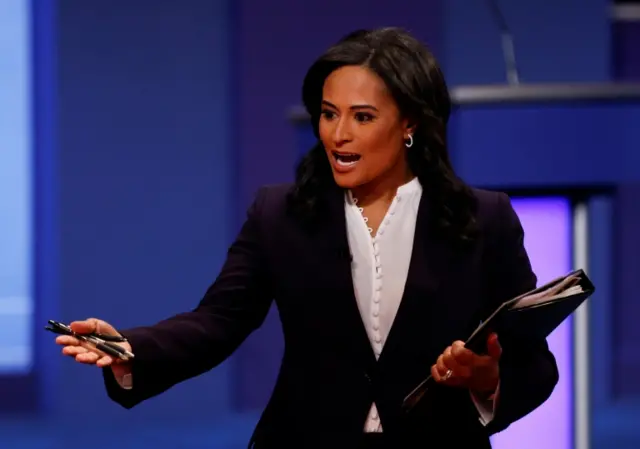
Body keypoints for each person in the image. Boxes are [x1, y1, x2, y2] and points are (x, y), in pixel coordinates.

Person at [54, 27, 559, 448]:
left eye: (362, 117)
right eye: (328, 112)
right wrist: (132, 349)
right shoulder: (281, 214)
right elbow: (218, 322)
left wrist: (487, 380)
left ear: (409, 123)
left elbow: (532, 364)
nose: (338, 134)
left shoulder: (482, 219)